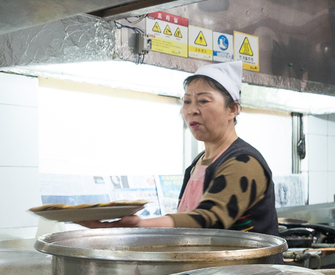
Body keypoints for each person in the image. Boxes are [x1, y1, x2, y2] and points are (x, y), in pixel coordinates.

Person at [79, 61, 281, 241]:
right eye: (187, 101)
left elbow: (209, 219)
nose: (192, 110)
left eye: (203, 100)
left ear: (232, 109)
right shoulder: (198, 163)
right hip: (215, 274)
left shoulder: (243, 162)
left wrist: (139, 225)